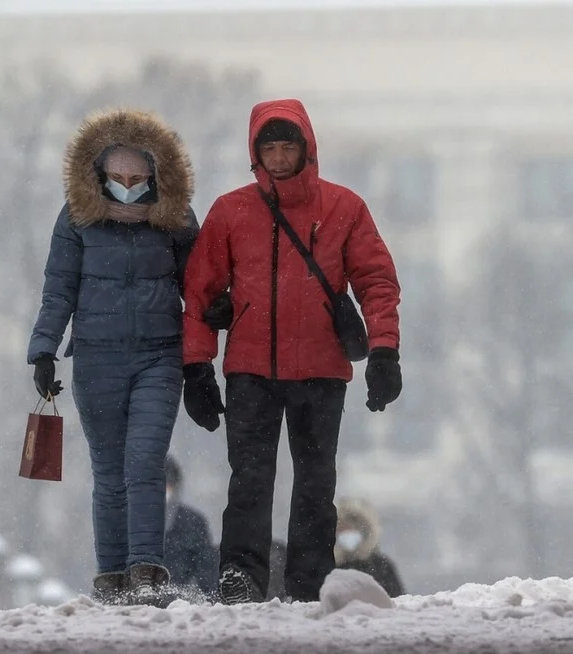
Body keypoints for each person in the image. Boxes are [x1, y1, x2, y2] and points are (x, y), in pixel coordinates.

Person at [181, 98, 402, 604]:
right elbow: (199, 292)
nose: (279, 158)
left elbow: (377, 282)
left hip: (322, 370)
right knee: (250, 480)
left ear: (307, 148)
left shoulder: (344, 208)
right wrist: (197, 368)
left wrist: (385, 350)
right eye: (270, 148)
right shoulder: (231, 211)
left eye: (288, 147)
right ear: (255, 152)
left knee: (315, 484)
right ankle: (240, 578)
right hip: (250, 370)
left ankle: (308, 582)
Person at [27, 108, 198, 606]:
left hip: (158, 358)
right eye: (118, 178)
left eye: (137, 178)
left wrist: (210, 338)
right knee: (109, 471)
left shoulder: (177, 218)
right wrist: (44, 351)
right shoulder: (77, 217)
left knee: (145, 461)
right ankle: (112, 575)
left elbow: (201, 284)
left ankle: (146, 567)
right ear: (99, 174)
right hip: (97, 360)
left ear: (155, 175)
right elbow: (58, 289)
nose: (127, 186)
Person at [163, 455, 217, 598]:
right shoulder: (128, 523)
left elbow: (206, 568)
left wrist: (212, 599)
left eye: (166, 485)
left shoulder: (193, 522)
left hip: (178, 601)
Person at [335, 498, 404, 598]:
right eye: (340, 530)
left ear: (363, 531)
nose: (344, 534)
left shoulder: (381, 566)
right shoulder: (329, 565)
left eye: (349, 529)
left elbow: (396, 601)